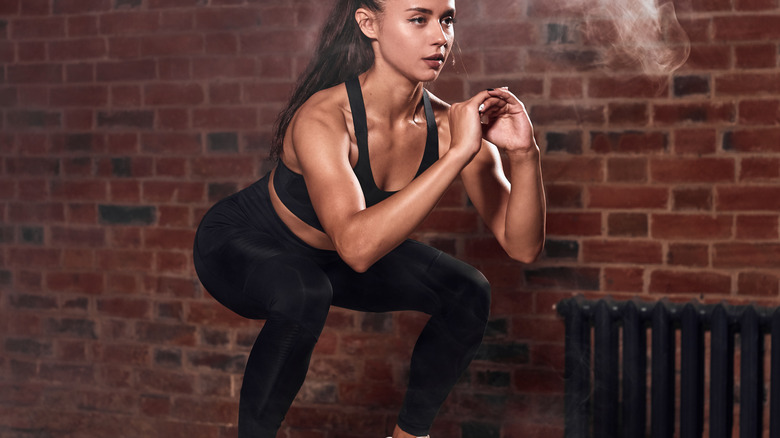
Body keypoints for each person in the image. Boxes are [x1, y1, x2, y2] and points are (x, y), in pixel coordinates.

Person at [192, 0, 547, 436]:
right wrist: (456, 155)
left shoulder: (452, 128)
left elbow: (523, 246)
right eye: (419, 19)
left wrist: (524, 155)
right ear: (368, 24)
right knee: (305, 290)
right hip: (242, 245)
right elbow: (357, 250)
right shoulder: (325, 117)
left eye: (447, 20)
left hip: (330, 260)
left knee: (467, 291)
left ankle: (408, 436)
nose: (441, 37)